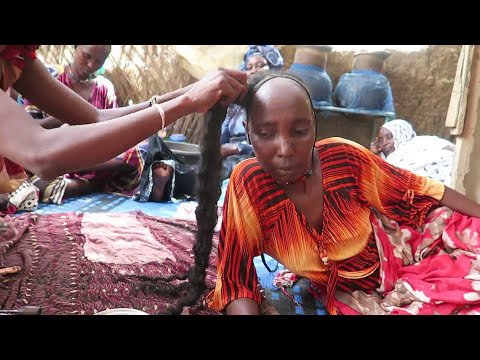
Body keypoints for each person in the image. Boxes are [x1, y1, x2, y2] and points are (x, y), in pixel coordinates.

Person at [206, 70, 480, 315]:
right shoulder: (249, 187)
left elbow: (422, 190)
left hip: (409, 249)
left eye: (299, 131)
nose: (285, 149)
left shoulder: (343, 158)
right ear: (248, 132)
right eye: (265, 134)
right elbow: (235, 281)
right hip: (360, 296)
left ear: (314, 125)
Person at [0, 45, 247, 214]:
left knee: (141, 150)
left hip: (68, 153)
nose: (89, 64)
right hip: (50, 161)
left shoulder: (15, 57)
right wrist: (186, 103)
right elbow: (42, 153)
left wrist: (190, 92)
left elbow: (95, 117)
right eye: (86, 55)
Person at [22, 45, 152, 203]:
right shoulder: (49, 76)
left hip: (95, 158)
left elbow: (115, 130)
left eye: (99, 61)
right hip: (57, 155)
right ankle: (97, 185)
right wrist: (64, 120)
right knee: (39, 185)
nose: (91, 65)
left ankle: (83, 175)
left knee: (142, 147)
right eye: (86, 56)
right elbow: (29, 129)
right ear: (75, 48)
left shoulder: (105, 88)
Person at [220, 45, 284, 180]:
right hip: (229, 161)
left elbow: (279, 144)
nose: (254, 71)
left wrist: (238, 148)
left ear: (273, 69)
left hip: (259, 162)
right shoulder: (235, 105)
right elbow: (222, 138)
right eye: (249, 68)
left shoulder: (279, 103)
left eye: (260, 65)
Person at [370, 119, 455, 186]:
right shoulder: (389, 160)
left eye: (389, 137)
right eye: (381, 140)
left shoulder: (421, 142)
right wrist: (374, 155)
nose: (385, 143)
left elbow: (452, 149)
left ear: (402, 134)